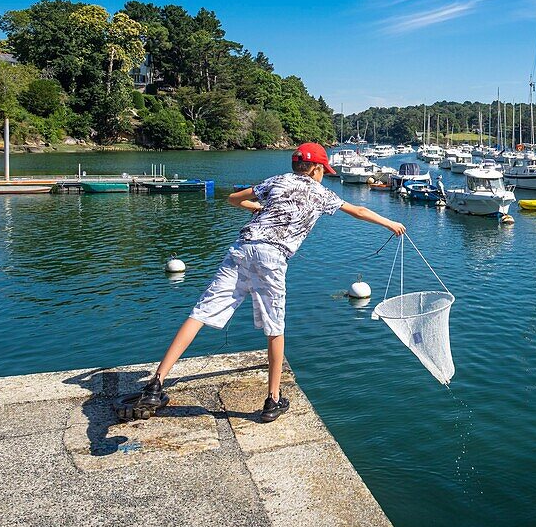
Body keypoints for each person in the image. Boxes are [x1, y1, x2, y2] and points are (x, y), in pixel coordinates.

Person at [136, 142, 406, 422]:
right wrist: (390, 224)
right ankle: (272, 400)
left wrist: (258, 209)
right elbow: (359, 211)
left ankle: (155, 384)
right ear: (314, 169)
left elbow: (233, 199)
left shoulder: (276, 180)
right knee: (275, 328)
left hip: (242, 248)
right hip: (272, 257)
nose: (324, 174)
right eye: (323, 170)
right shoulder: (320, 193)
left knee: (200, 313)